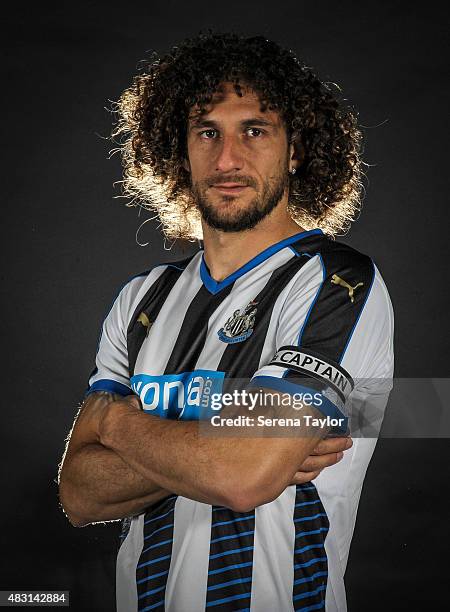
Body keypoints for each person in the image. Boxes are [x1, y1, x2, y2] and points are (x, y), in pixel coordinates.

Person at [58, 31, 394, 612]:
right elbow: (80, 493)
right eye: (206, 131)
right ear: (178, 148)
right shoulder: (143, 298)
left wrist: (115, 423)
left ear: (295, 150)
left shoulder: (338, 281)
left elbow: (244, 478)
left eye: (254, 131)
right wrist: (237, 445)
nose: (227, 159)